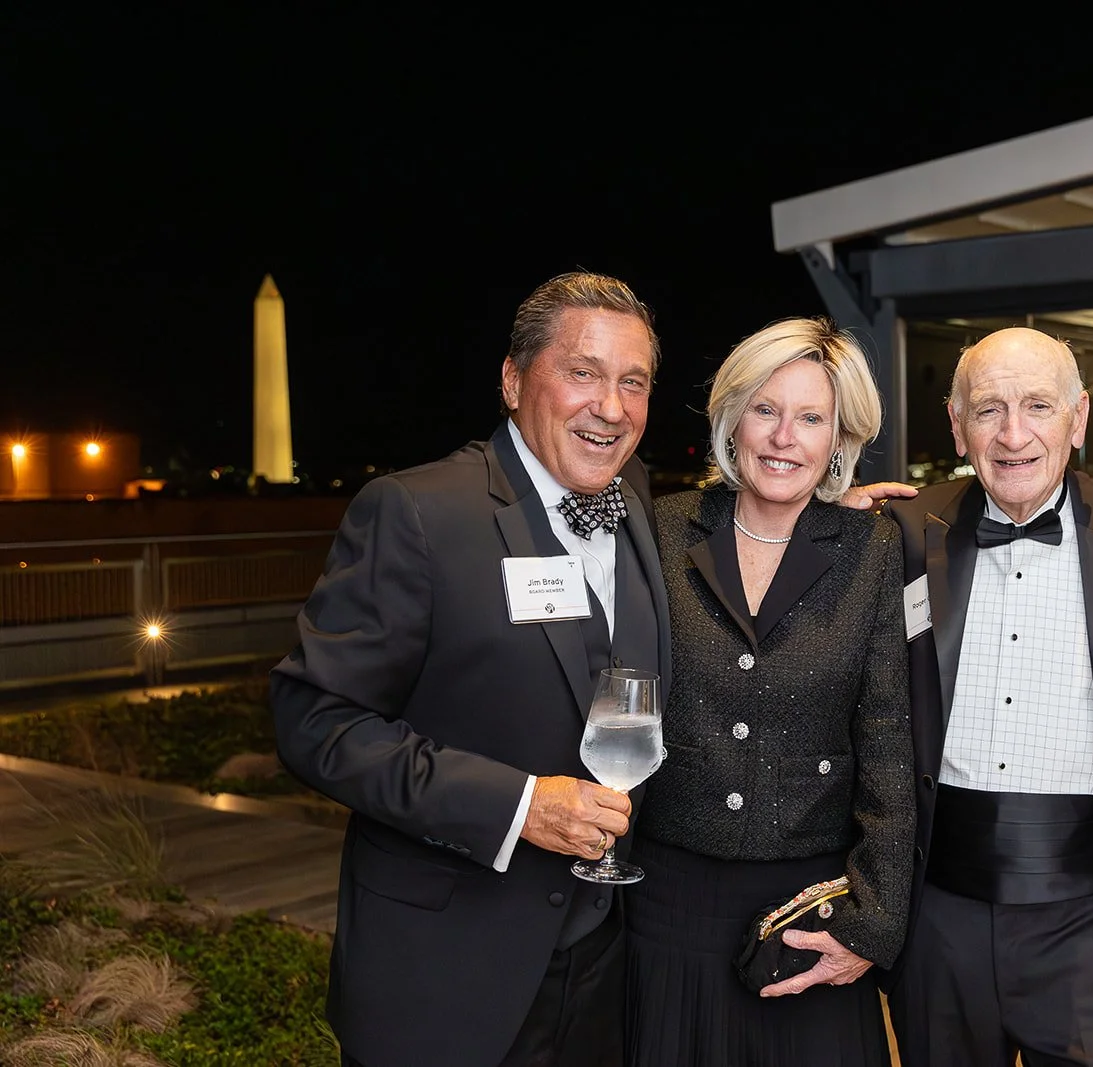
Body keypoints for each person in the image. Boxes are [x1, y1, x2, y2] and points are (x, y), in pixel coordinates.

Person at [271, 272, 671, 1067]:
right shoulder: (415, 512)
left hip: (602, 970)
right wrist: (517, 805)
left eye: (634, 382)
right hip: (444, 973)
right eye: (583, 372)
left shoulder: (639, 502)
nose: (613, 407)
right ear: (514, 378)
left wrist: (824, 513)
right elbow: (314, 721)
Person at [625, 317, 915, 1067]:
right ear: (732, 419)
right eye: (766, 409)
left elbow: (886, 737)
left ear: (838, 439)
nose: (785, 436)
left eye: (811, 417)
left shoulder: (872, 548)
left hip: (809, 914)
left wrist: (872, 923)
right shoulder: (660, 530)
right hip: (667, 905)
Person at [882, 327, 1093, 1067]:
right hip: (938, 913)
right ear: (954, 423)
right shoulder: (901, 531)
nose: (1013, 434)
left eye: (1038, 405)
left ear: (1078, 418)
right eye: (988, 409)